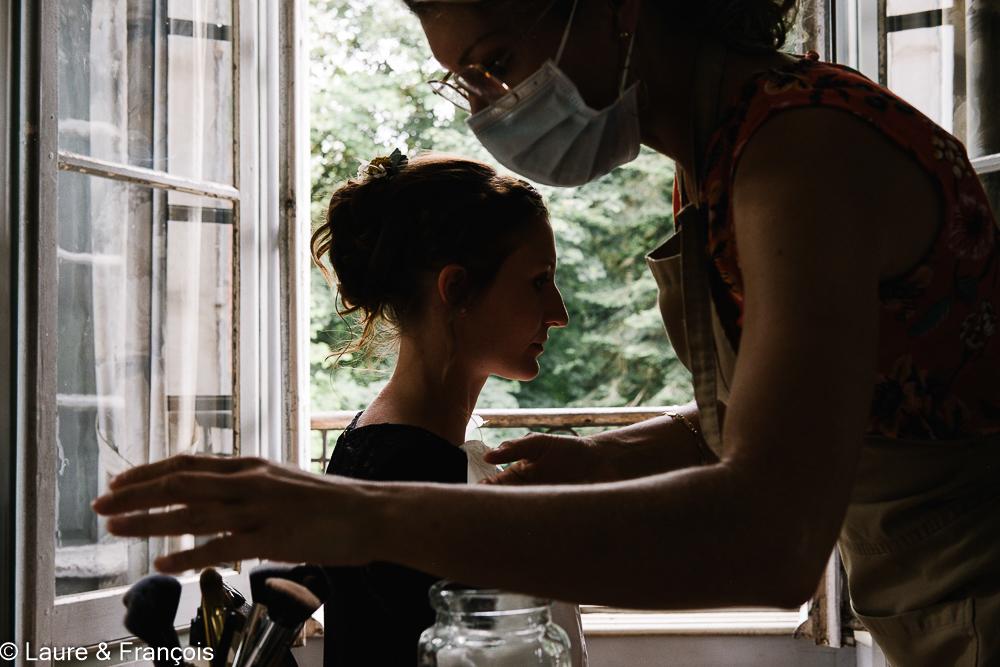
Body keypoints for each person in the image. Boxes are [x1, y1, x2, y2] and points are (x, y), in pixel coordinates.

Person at [93, 0, 1000, 664]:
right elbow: (791, 418)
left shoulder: (797, 157)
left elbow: (772, 536)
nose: (491, 107)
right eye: (467, 83)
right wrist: (603, 459)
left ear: (616, 8)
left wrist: (363, 514)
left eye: (496, 60)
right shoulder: (723, 159)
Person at [308, 150, 584, 666]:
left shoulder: (396, 446)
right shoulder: (412, 473)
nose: (559, 312)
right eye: (538, 281)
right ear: (456, 289)